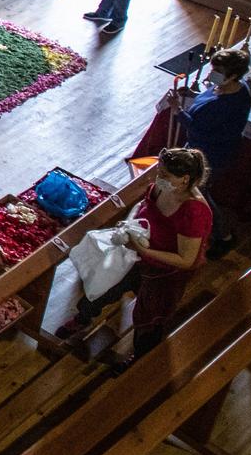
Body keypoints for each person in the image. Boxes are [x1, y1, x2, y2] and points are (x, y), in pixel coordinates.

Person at [58, 146, 212, 362]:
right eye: (159, 172)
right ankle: (83, 318)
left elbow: (186, 260)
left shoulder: (194, 212)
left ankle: (140, 359)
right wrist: (129, 230)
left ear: (184, 179)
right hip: (137, 254)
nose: (158, 178)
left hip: (165, 272)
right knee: (106, 285)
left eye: (165, 175)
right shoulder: (162, 189)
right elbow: (144, 207)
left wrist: (143, 250)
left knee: (149, 316)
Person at [173, 47, 251, 251]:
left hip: (211, 155)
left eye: (217, 72)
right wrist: (193, 94)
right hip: (204, 148)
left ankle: (223, 236)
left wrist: (178, 111)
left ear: (233, 75)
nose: (211, 75)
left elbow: (198, 129)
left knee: (199, 194)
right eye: (212, 69)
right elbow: (207, 100)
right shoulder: (235, 87)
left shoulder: (224, 105)